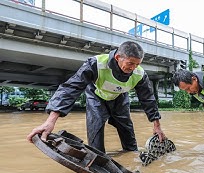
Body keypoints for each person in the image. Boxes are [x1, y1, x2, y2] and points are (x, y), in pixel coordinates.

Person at [26, 41, 166, 153]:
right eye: (130, 63)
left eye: (137, 64)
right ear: (118, 58)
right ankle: (98, 157)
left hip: (120, 98)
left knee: (128, 132)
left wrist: (157, 126)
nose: (133, 68)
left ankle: (131, 156)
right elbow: (71, 88)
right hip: (96, 96)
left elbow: (148, 100)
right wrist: (50, 121)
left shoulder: (140, 74)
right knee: (96, 132)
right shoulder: (96, 64)